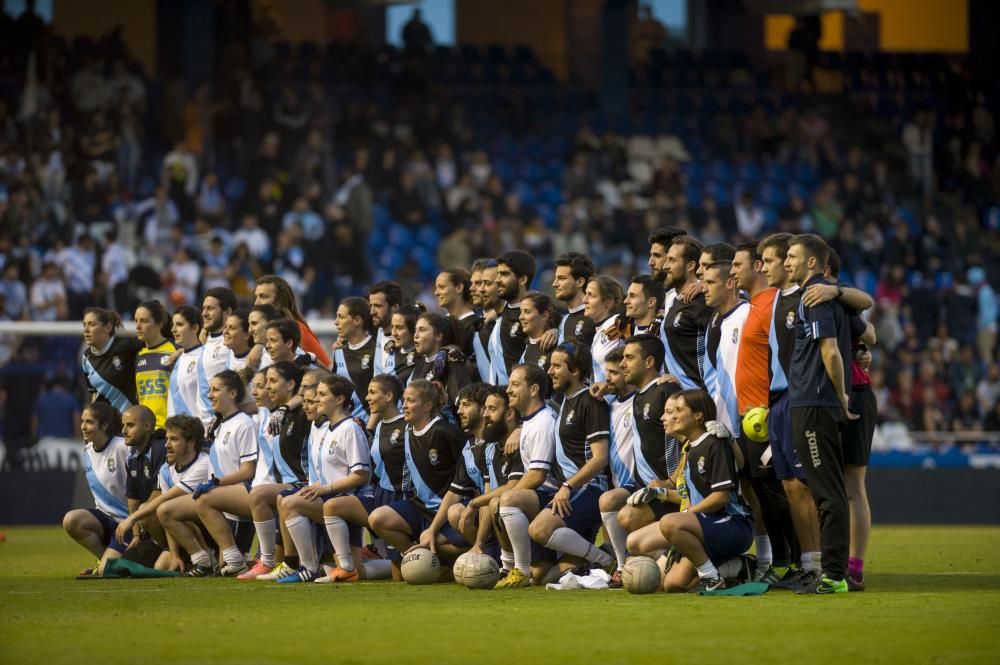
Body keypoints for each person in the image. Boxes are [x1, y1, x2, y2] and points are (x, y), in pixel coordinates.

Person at [785, 233, 853, 594]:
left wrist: (840, 394)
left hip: (814, 402)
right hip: (810, 401)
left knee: (827, 492)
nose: (786, 262)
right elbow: (866, 333)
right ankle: (833, 571)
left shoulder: (814, 297)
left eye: (792, 256)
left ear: (812, 262)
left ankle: (834, 575)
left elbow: (829, 351)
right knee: (826, 489)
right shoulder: (824, 297)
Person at [758, 233, 822, 587]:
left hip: (801, 400)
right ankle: (807, 563)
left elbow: (853, 329)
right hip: (778, 403)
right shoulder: (775, 301)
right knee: (791, 487)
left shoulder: (809, 297)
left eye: (769, 261)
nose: (764, 267)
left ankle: (821, 565)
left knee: (806, 486)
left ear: (788, 262)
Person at [731, 240, 796, 581]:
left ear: (759, 266)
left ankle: (797, 561)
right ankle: (781, 561)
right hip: (749, 414)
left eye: (738, 264)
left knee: (776, 490)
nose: (732, 271)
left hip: (765, 413)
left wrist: (773, 404)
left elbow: (782, 358)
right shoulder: (753, 305)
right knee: (761, 491)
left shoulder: (773, 305)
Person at [160, 371, 257, 577]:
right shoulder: (218, 424)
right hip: (217, 497)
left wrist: (216, 483)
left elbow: (249, 471)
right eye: (210, 389)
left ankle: (236, 560)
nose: (210, 395)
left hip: (239, 495)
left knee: (204, 498)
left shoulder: (244, 423)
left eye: (215, 389)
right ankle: (202, 561)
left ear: (232, 393)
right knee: (165, 511)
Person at [369, 380, 468, 580]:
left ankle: (458, 559)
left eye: (410, 401)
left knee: (435, 542)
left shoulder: (444, 432)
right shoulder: (407, 430)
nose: (404, 405)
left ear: (428, 406)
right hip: (421, 507)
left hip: (449, 510)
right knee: (377, 519)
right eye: (404, 400)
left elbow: (469, 472)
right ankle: (425, 560)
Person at [278, 374, 372, 583]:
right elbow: (331, 474)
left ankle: (309, 567)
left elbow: (360, 476)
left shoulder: (350, 428)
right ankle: (323, 567)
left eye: (322, 394)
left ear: (339, 400)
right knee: (361, 571)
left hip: (355, 499)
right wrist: (316, 487)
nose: (317, 399)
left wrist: (324, 489)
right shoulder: (328, 429)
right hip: (335, 498)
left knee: (290, 503)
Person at [657, 389, 753, 593]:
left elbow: (721, 497)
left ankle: (711, 577)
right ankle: (733, 567)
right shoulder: (691, 448)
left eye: (679, 410)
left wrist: (685, 518)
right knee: (672, 584)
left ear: (698, 415)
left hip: (732, 523)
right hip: (708, 523)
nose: (672, 416)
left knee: (669, 523)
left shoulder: (715, 443)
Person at [318, 373, 410, 583]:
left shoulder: (406, 425)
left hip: (400, 497)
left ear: (388, 396)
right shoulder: (378, 426)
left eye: (372, 392)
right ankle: (345, 568)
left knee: (403, 574)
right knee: (399, 573)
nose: (367, 398)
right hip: (380, 496)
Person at [237, 363, 311, 579]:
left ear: (290, 385)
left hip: (303, 482)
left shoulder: (303, 411)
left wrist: (287, 407)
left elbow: (318, 384)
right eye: (265, 382)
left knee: (260, 495)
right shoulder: (274, 414)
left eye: (272, 381)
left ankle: (273, 561)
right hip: (285, 484)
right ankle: (269, 560)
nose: (268, 387)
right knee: (259, 494)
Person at [114, 413, 208, 571]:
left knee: (158, 509)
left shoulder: (203, 464)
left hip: (211, 528)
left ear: (191, 442)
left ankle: (204, 559)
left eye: (174, 440)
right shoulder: (166, 470)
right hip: (183, 527)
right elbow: (167, 518)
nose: (167, 445)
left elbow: (167, 501)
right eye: (167, 439)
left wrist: (132, 518)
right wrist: (174, 555)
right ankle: (182, 555)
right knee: (158, 566)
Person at [494, 363, 560, 588]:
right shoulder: (530, 421)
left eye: (515, 384)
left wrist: (508, 497)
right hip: (540, 498)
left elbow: (538, 475)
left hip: (554, 496)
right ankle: (508, 566)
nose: (508, 390)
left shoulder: (543, 422)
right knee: (541, 576)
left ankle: (519, 570)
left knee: (506, 500)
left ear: (533, 389)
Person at [62, 403, 130, 577]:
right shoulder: (87, 451)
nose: (83, 426)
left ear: (105, 425)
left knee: (106, 572)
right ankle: (105, 558)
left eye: (89, 422)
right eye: (82, 421)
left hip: (128, 523)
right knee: (71, 520)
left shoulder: (122, 447)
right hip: (106, 521)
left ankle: (117, 560)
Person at [660, 236, 713, 389]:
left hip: (699, 395)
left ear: (690, 266)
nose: (665, 266)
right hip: (680, 398)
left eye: (672, 260)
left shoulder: (703, 301)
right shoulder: (674, 299)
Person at [119, 405, 168, 551]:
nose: (123, 431)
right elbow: (132, 501)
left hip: (170, 514)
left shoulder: (160, 449)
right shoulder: (131, 456)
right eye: (123, 426)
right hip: (147, 521)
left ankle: (171, 552)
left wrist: (137, 516)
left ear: (147, 426)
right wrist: (136, 536)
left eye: (130, 425)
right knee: (113, 568)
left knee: (145, 509)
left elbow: (160, 492)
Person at [255, 275, 331, 368]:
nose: (256, 303)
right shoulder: (258, 331)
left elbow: (327, 368)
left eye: (263, 296)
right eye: (256, 296)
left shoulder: (299, 330)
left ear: (279, 301)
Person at [82, 307, 141, 412]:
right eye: (84, 325)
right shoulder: (86, 357)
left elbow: (157, 341)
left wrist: (178, 352)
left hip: (126, 419)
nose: (86, 329)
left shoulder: (126, 346)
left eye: (92, 324)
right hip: (104, 421)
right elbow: (94, 394)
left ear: (108, 327)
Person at [489, 251, 535, 384]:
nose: (497, 280)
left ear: (522, 279)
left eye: (504, 274)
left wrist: (554, 332)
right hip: (500, 396)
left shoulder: (535, 315)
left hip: (520, 395)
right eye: (498, 274)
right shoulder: (504, 309)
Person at [409, 312, 472, 410]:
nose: (415, 335)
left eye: (422, 330)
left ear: (438, 336)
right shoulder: (419, 364)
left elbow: (461, 403)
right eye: (415, 330)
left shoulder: (452, 362)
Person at [167, 306, 213, 432]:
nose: (173, 330)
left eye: (179, 325)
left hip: (194, 436)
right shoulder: (180, 356)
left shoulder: (205, 357)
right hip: (175, 433)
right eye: (173, 325)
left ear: (195, 328)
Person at [332, 297, 377, 420]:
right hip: (344, 425)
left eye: (341, 317)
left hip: (368, 426)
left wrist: (370, 429)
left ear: (357, 320)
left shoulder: (376, 350)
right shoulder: (339, 352)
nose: (336, 322)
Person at [134, 301, 177, 429]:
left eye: (144, 321)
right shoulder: (138, 355)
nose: (138, 326)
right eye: (136, 321)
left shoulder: (175, 350)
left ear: (159, 324)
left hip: (168, 430)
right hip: (145, 431)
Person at [583, 275, 624, 383]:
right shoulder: (599, 330)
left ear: (608, 302)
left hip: (619, 397)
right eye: (585, 294)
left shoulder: (617, 322)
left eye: (591, 295)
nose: (584, 300)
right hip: (605, 397)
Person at [553, 252, 596, 347]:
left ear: (580, 282)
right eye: (555, 278)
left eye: (561, 278)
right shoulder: (564, 320)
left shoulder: (596, 316)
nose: (555, 284)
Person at [435, 268, 480, 356]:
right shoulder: (440, 323)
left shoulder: (475, 326)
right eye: (436, 288)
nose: (436, 293)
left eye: (442, 287)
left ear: (458, 288)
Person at [472, 260, 503, 382]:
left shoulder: (517, 316)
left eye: (486, 283)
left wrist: (553, 331)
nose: (479, 289)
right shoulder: (476, 321)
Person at [518, 291, 557, 379]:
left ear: (544, 316)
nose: (521, 317)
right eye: (521, 312)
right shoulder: (525, 346)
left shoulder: (557, 345)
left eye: (527, 312)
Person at [201, 287, 238, 379]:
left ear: (228, 312)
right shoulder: (202, 339)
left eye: (210, 308)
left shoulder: (235, 342)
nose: (204, 313)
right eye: (204, 308)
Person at [368, 280, 403, 375]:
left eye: (378, 306)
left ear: (395, 307)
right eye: (371, 306)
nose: (372, 312)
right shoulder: (379, 331)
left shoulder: (409, 339)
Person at [385, 304, 422, 386]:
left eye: (399, 328)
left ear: (414, 329)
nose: (393, 333)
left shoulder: (422, 357)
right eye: (392, 327)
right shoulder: (390, 350)